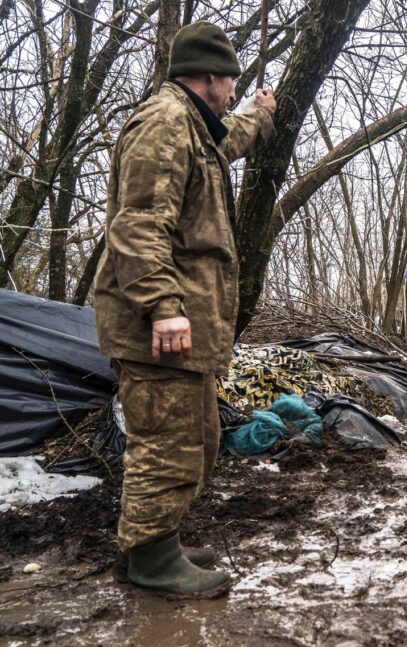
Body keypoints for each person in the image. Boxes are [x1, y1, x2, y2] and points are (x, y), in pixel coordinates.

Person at [93, 21, 277, 597]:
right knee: (167, 444)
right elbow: (139, 223)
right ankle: (150, 559)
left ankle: (153, 541)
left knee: (195, 438)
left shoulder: (194, 127)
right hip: (158, 323)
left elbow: (230, 137)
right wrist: (164, 306)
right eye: (231, 84)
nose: (231, 92)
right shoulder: (166, 123)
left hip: (182, 326)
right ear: (212, 76)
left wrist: (259, 112)